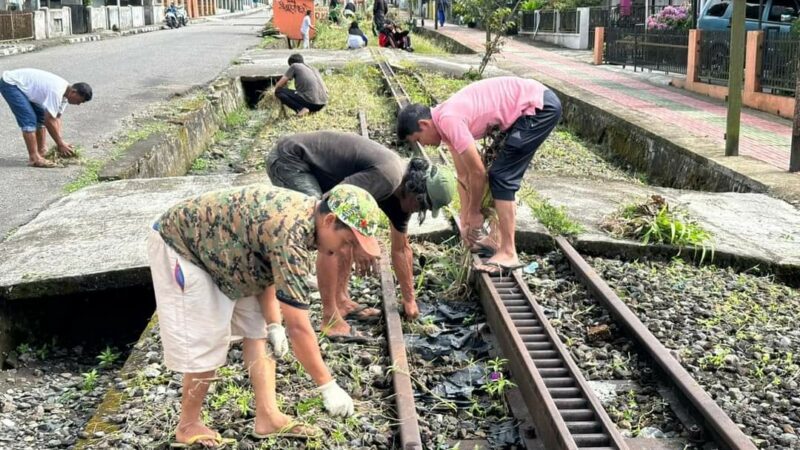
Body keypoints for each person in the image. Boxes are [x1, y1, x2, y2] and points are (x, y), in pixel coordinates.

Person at [148, 183, 383, 447]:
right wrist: (327, 385)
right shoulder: (291, 232)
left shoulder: (307, 220)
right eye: (347, 242)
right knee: (209, 334)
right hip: (184, 245)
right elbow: (299, 327)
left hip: (227, 250)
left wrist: (273, 323)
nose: (344, 251)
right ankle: (188, 424)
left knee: (257, 329)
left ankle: (268, 417)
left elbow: (268, 269)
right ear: (330, 220)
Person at [266, 131, 456, 336]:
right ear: (414, 188)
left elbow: (401, 249)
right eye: (424, 205)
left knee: (345, 236)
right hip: (291, 160)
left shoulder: (403, 199)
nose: (421, 212)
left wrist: (409, 299)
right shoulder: (388, 176)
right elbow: (334, 206)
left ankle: (342, 301)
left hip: (311, 169)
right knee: (329, 235)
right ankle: (330, 319)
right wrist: (360, 243)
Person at [397, 77, 562, 275]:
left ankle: (509, 252)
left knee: (501, 176)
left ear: (423, 124)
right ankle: (495, 238)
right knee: (494, 166)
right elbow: (464, 176)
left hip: (538, 106)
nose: (423, 145)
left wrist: (475, 212)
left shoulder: (449, 119)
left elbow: (478, 173)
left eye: (418, 140)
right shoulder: (444, 123)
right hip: (525, 111)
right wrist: (465, 220)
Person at [0, 68, 92, 168]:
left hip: (23, 86)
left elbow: (56, 118)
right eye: (79, 101)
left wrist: (61, 142)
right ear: (73, 92)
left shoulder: (65, 96)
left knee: (40, 116)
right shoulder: (57, 91)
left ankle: (42, 151)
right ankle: (34, 158)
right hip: (11, 84)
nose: (78, 104)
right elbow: (49, 121)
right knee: (29, 120)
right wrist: (60, 143)